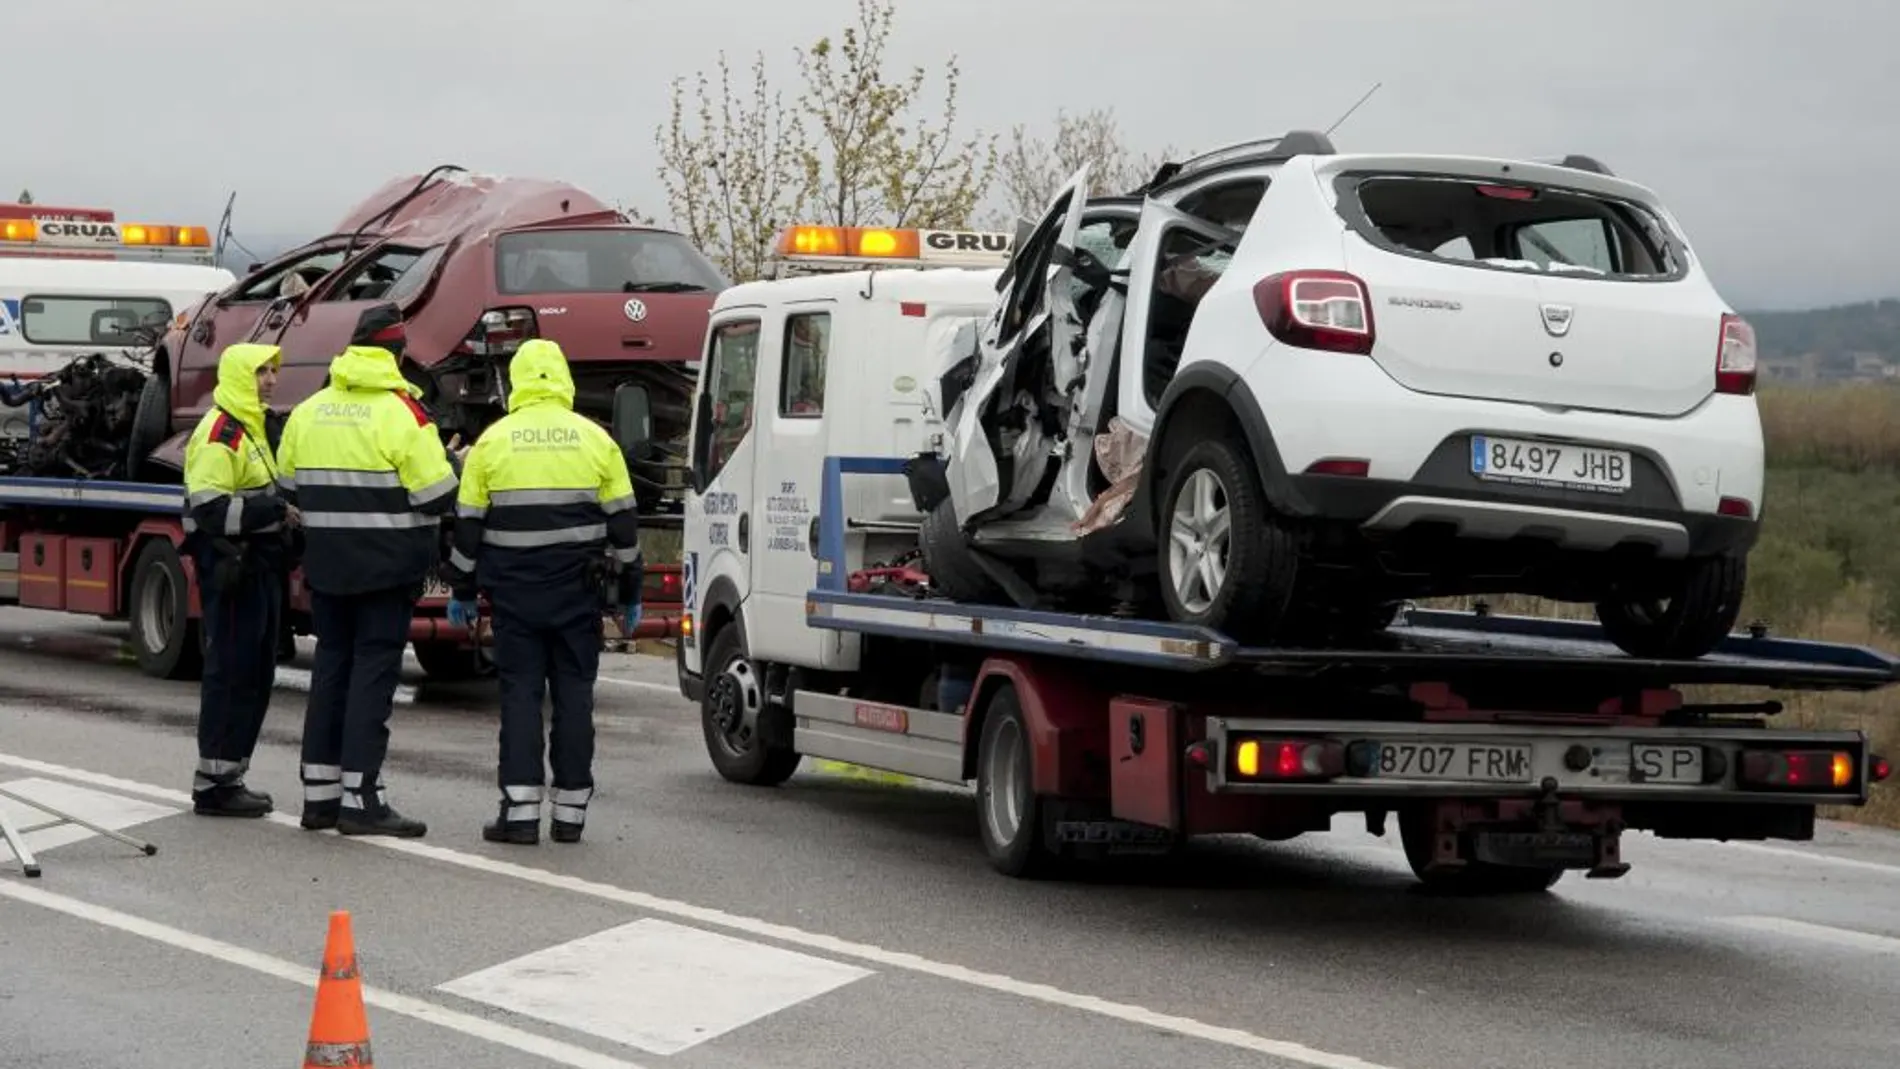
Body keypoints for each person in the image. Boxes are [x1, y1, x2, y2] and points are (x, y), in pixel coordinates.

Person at [441, 338, 642, 845]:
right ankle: (571, 815)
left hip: (514, 597)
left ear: (517, 380)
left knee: (521, 698)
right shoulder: (598, 440)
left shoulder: (492, 442)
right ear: (563, 379)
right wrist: (629, 595)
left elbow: (466, 531)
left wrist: (462, 588)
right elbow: (626, 533)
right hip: (579, 595)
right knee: (575, 698)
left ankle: (521, 813)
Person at [276, 303, 459, 838]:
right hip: (386, 571)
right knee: (372, 680)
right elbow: (437, 495)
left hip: (327, 567)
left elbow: (287, 489)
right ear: (397, 354)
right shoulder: (404, 413)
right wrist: (453, 462)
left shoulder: (309, 410)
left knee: (331, 671)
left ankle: (319, 797)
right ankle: (361, 799)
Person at [181, 342, 297, 817]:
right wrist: (272, 510)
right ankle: (214, 784)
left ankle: (230, 774)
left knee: (254, 673)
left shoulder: (253, 429)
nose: (270, 380)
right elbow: (209, 510)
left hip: (257, 569)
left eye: (273, 371)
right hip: (233, 571)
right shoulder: (221, 434)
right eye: (260, 372)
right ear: (237, 376)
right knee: (232, 674)